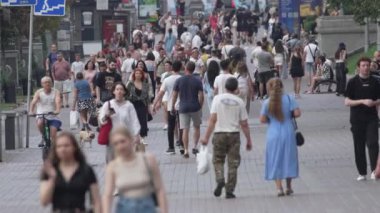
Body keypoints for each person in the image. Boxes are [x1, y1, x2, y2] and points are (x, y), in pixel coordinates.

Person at [200, 77, 252, 199]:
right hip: (234, 134)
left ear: (226, 87)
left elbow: (212, 119)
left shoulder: (217, 99)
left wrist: (206, 137)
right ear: (236, 89)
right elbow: (244, 124)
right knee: (233, 163)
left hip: (219, 134)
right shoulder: (239, 102)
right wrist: (248, 139)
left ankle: (220, 179)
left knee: (218, 160)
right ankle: (229, 190)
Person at [102, 127, 168, 213]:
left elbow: (160, 189)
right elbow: (107, 195)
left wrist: (164, 210)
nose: (120, 146)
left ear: (130, 140)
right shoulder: (113, 166)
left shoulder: (148, 159)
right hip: (124, 208)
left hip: (146, 206)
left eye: (123, 141)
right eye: (116, 143)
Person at [40, 132, 101, 212]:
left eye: (66, 146)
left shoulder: (86, 170)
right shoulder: (50, 169)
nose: (63, 149)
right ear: (55, 149)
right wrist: (52, 178)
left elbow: (96, 200)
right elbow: (44, 201)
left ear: (74, 147)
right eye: (59, 146)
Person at [259, 78, 301, 196]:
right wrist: (289, 115)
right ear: (282, 87)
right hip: (288, 131)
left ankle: (279, 188)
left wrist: (270, 120)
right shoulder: (289, 98)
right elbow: (297, 113)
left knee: (275, 158)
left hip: (273, 132)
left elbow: (262, 119)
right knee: (288, 158)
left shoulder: (267, 102)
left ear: (269, 88)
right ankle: (288, 187)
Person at [345, 57, 380, 181]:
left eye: (367, 65)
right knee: (359, 146)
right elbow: (347, 101)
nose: (366, 68)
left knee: (373, 143)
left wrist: (374, 102)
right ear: (358, 67)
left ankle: (375, 171)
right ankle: (362, 172)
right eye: (363, 65)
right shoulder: (352, 82)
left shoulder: (375, 82)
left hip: (372, 118)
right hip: (357, 119)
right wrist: (362, 101)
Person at [99, 82, 141, 162]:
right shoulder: (108, 104)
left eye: (121, 89)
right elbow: (101, 121)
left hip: (126, 139)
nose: (119, 91)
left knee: (127, 163)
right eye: (117, 89)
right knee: (112, 163)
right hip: (112, 139)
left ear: (124, 92)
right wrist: (106, 116)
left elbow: (134, 121)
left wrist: (136, 135)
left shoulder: (129, 105)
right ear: (113, 92)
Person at [172, 61, 204, 158]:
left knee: (185, 129)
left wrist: (173, 105)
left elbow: (174, 95)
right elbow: (201, 96)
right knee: (197, 127)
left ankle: (186, 150)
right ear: (194, 69)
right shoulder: (197, 80)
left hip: (183, 107)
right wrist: (200, 106)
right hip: (195, 106)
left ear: (185, 68)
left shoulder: (179, 80)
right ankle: (194, 146)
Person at [153, 60, 183, 155]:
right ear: (180, 67)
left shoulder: (167, 80)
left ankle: (171, 147)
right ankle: (181, 143)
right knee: (181, 126)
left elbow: (160, 93)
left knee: (171, 126)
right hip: (182, 106)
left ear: (172, 68)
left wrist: (154, 104)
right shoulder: (182, 79)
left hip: (171, 106)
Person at [30, 76, 61, 147]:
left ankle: (54, 148)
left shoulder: (56, 92)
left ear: (51, 83)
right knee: (40, 123)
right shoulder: (39, 92)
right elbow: (33, 102)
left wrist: (57, 110)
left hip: (53, 115)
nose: (47, 84)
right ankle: (43, 137)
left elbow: (58, 101)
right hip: (41, 114)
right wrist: (31, 111)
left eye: (49, 82)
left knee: (53, 131)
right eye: (45, 82)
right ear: (42, 84)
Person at [127, 68, 152, 145]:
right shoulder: (130, 84)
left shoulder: (145, 84)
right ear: (134, 75)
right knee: (134, 121)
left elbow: (147, 97)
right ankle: (134, 137)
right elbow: (126, 95)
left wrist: (149, 108)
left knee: (143, 121)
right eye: (136, 73)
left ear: (142, 75)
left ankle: (142, 138)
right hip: (133, 104)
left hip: (142, 104)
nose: (138, 75)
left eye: (140, 73)